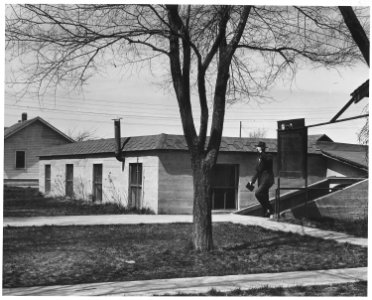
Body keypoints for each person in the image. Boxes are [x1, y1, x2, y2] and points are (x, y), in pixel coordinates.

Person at [248, 141, 275, 218]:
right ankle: (267, 214)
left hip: (268, 180)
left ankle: (270, 209)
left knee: (257, 193)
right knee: (265, 197)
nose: (257, 148)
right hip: (261, 181)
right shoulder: (258, 158)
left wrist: (261, 152)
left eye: (259, 147)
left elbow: (266, 159)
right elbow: (257, 172)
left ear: (262, 148)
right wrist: (252, 181)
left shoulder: (269, 156)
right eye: (257, 147)